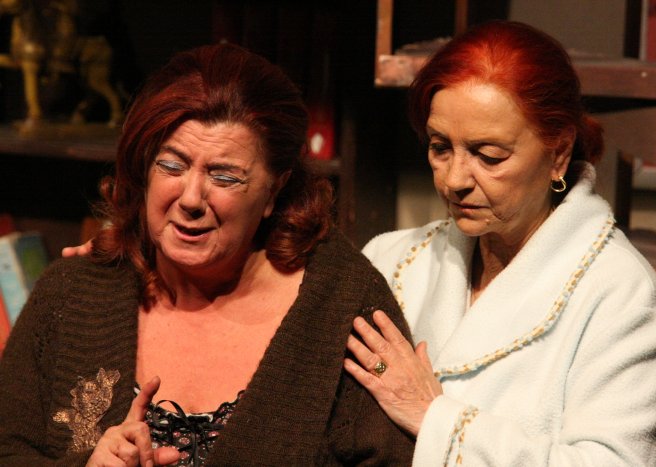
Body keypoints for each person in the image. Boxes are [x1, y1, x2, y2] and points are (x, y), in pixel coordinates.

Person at [0, 43, 415, 466]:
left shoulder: (343, 306)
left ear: (274, 191)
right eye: (172, 166)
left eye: (224, 177)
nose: (191, 199)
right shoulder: (73, 293)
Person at [343, 21, 656, 466]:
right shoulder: (390, 260)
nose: (455, 180)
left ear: (559, 153)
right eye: (440, 148)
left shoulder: (618, 293)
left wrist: (435, 418)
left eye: (489, 156)